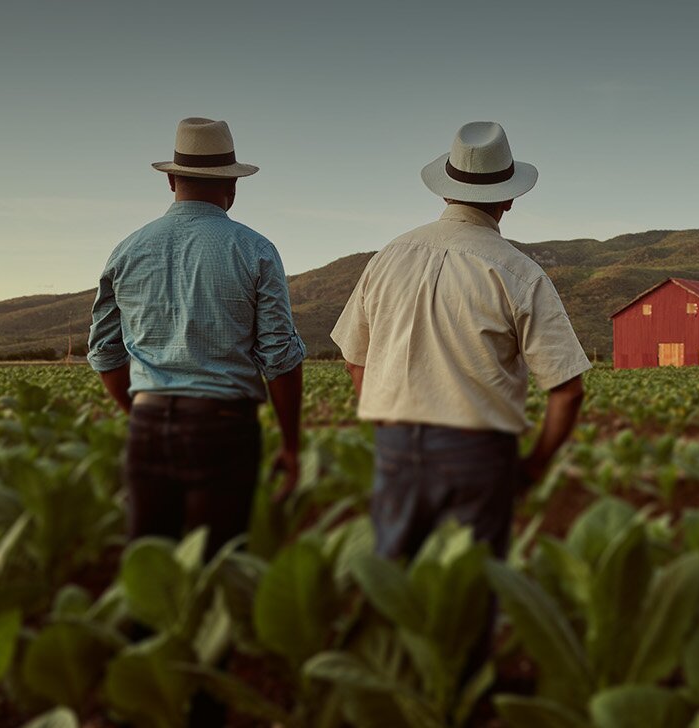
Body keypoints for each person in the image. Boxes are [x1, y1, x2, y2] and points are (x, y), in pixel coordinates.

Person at [330, 121, 590, 569]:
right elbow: (567, 390)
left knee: (396, 581)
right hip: (476, 453)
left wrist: (393, 425)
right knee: (467, 590)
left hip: (395, 444)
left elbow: (356, 361)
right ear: (508, 198)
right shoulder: (519, 272)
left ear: (445, 191)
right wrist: (536, 464)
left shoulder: (388, 256)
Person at [87, 116, 306, 559]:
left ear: (171, 179)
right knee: (219, 568)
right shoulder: (255, 249)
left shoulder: (127, 249)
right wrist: (289, 443)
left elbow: (103, 351)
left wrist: (142, 412)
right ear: (233, 184)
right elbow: (280, 357)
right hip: (222, 426)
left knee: (149, 567)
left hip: (149, 424)